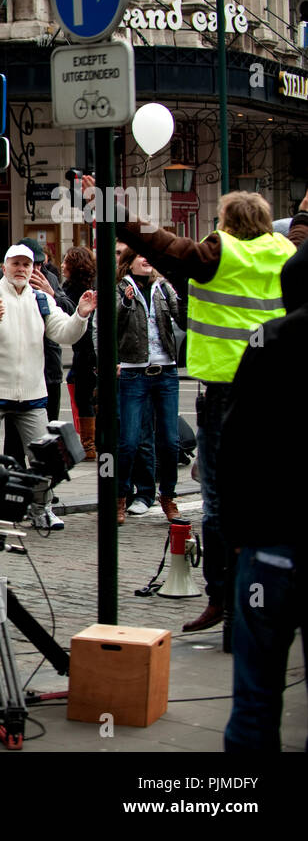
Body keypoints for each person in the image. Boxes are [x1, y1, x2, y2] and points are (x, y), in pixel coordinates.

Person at [113, 182, 302, 633]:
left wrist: (110, 209)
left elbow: (158, 241)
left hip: (225, 392)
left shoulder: (219, 256)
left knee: (219, 499)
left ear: (227, 223)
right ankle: (265, 595)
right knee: (274, 489)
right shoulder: (286, 251)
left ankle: (223, 597)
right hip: (278, 388)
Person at [219, 244, 308, 751]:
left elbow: (234, 445)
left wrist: (236, 533)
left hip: (270, 543)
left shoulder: (268, 340)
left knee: (255, 700)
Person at [0, 243, 97, 531]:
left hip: (32, 393)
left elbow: (63, 332)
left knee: (44, 458)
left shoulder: (41, 299)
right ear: (4, 266)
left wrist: (81, 315)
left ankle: (42, 508)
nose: (22, 270)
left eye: (27, 265)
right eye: (16, 264)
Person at [114, 247, 182, 525]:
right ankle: (120, 497)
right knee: (129, 441)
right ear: (129, 263)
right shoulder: (119, 290)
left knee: (170, 441)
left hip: (165, 370)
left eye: (149, 257)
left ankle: (167, 496)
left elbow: (183, 317)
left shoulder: (163, 289)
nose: (146, 260)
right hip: (133, 371)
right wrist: (126, 304)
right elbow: (110, 324)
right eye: (141, 256)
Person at [0, 238, 76, 423]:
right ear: (7, 265)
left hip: (47, 360)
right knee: (14, 435)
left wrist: (52, 294)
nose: (32, 270)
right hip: (10, 370)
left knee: (49, 427)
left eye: (37, 264)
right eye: (20, 263)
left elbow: (68, 312)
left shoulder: (48, 278)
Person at [61, 245, 98, 459]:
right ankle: (91, 442)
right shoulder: (92, 284)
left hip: (84, 348)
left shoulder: (70, 290)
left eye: (66, 261)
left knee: (84, 396)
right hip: (89, 348)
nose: (63, 264)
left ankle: (88, 444)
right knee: (89, 394)